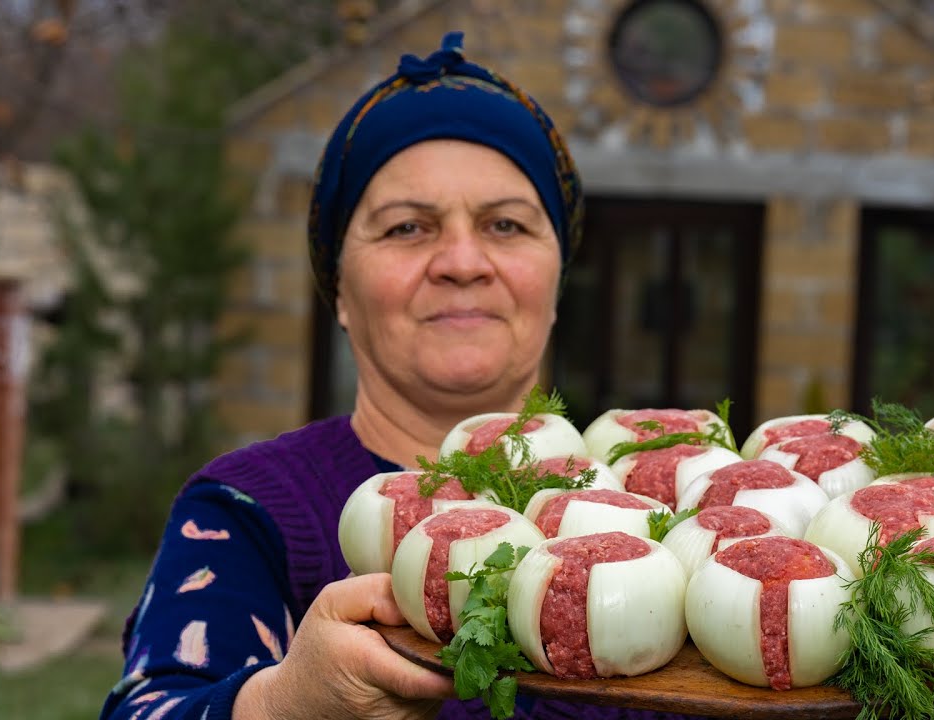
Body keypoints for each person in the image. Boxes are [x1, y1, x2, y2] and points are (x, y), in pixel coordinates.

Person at [99, 31, 701, 720]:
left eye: (505, 225)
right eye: (407, 229)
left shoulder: (661, 511)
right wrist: (288, 705)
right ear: (340, 293)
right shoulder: (251, 511)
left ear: (557, 282)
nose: (463, 261)